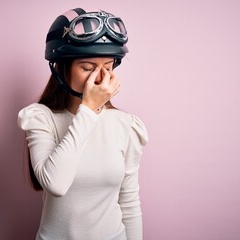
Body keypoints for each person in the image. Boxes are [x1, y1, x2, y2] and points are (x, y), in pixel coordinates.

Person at [17, 8, 148, 240]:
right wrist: (89, 109)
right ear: (63, 69)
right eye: (87, 67)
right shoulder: (40, 118)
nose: (98, 77)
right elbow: (55, 184)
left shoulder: (126, 125)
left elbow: (129, 202)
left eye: (107, 68)